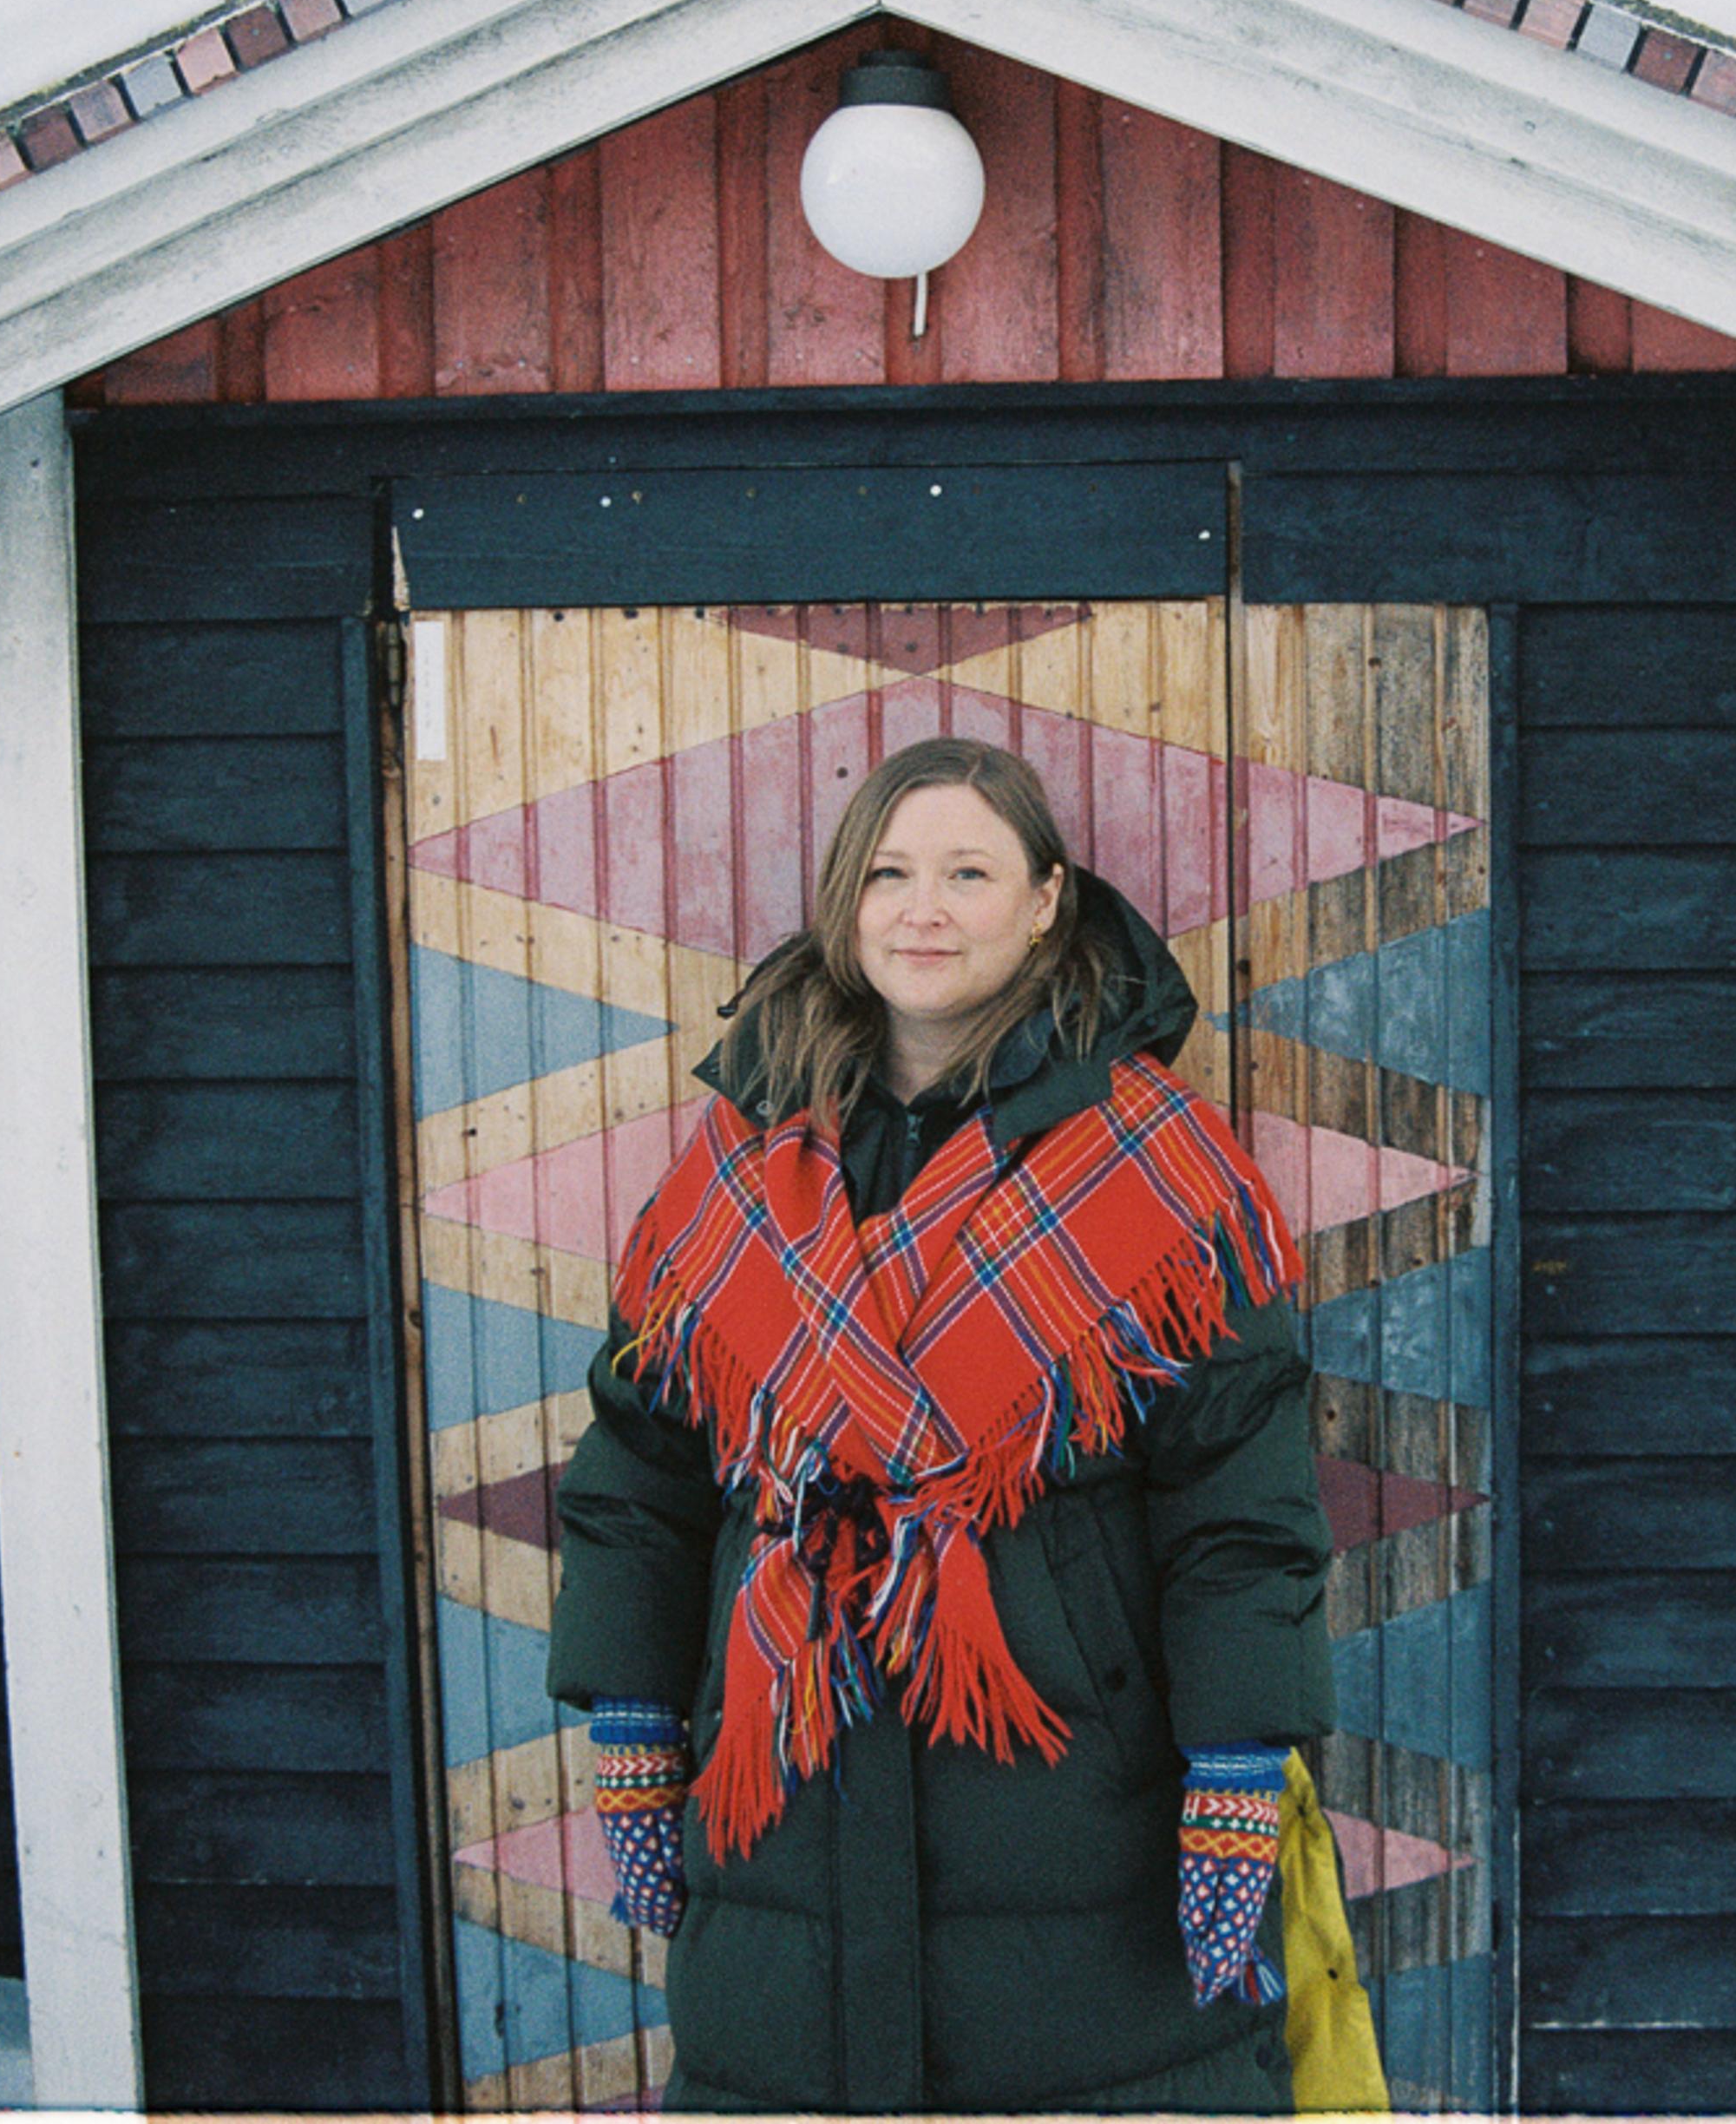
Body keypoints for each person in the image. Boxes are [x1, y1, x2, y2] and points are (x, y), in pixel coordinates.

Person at [546, 736, 1335, 2114]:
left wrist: (1236, 1761)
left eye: (970, 872)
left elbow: (1239, 1506)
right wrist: (629, 1711)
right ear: (848, 906)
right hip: (782, 1806)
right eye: (893, 873)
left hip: (1074, 1811)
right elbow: (643, 1467)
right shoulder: (735, 1164)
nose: (926, 908)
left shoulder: (1160, 1168)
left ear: (1044, 901)